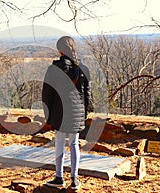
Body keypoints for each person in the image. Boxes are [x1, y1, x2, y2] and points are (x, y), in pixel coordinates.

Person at [42, 36, 90, 190]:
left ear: (59, 51)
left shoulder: (53, 69)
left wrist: (48, 116)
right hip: (77, 112)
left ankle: (59, 177)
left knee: (60, 144)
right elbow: (87, 95)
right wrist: (84, 114)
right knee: (74, 144)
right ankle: (74, 178)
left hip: (58, 112)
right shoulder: (83, 69)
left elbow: (46, 95)